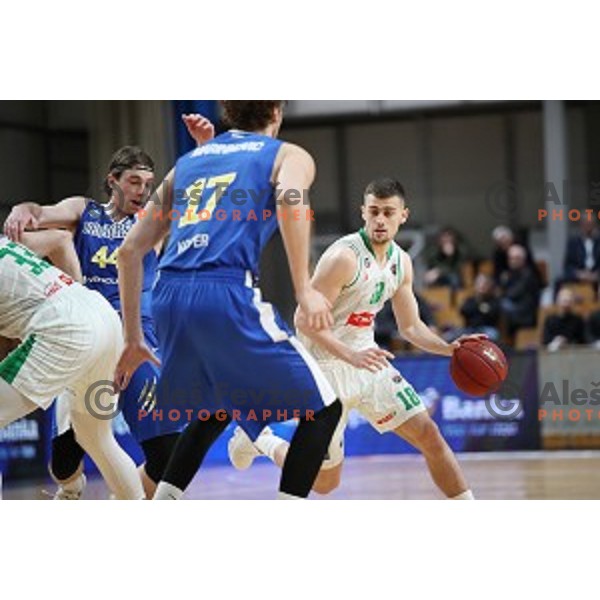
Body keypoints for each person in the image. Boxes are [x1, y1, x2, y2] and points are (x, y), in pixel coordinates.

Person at [114, 100, 342, 500]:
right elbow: (291, 199)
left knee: (214, 407)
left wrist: (132, 338)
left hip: (167, 295)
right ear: (276, 110)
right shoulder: (287, 154)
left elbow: (130, 250)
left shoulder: (189, 161)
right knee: (324, 410)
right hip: (223, 291)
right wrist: (303, 287)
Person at [2, 115, 214, 499]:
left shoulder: (151, 221)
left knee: (165, 454)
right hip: (83, 338)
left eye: (149, 184)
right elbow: (40, 213)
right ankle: (75, 488)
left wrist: (203, 149)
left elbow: (187, 192)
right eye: (134, 181)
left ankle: (124, 497)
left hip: (135, 341)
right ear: (113, 179)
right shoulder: (85, 211)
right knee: (65, 460)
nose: (142, 191)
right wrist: (22, 208)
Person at [228, 178, 476, 499]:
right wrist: (349, 354)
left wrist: (450, 349)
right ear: (363, 212)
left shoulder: (402, 262)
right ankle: (263, 441)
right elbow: (303, 320)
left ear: (403, 215)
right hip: (326, 368)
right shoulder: (343, 258)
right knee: (325, 483)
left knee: (430, 435)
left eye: (388, 212)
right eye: (374, 211)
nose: (380, 220)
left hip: (367, 361)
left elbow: (411, 326)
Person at [0, 236, 144, 499]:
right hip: (101, 316)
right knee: (97, 438)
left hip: (65, 329)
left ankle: (70, 492)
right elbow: (58, 240)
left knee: (93, 439)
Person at [498, 244, 540, 338]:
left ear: (523, 259)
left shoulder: (528, 274)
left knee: (501, 304)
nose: (513, 261)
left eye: (516, 258)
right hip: (513, 309)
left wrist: (503, 291)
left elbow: (514, 294)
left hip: (525, 311)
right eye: (511, 258)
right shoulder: (508, 274)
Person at [459, 273, 501, 341]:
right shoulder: (471, 299)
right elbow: (463, 311)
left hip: (487, 328)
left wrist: (478, 309)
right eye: (479, 283)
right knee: (455, 335)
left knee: (493, 335)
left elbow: (493, 314)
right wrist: (480, 307)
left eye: (485, 284)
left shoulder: (494, 300)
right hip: (470, 328)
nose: (482, 286)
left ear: (490, 286)